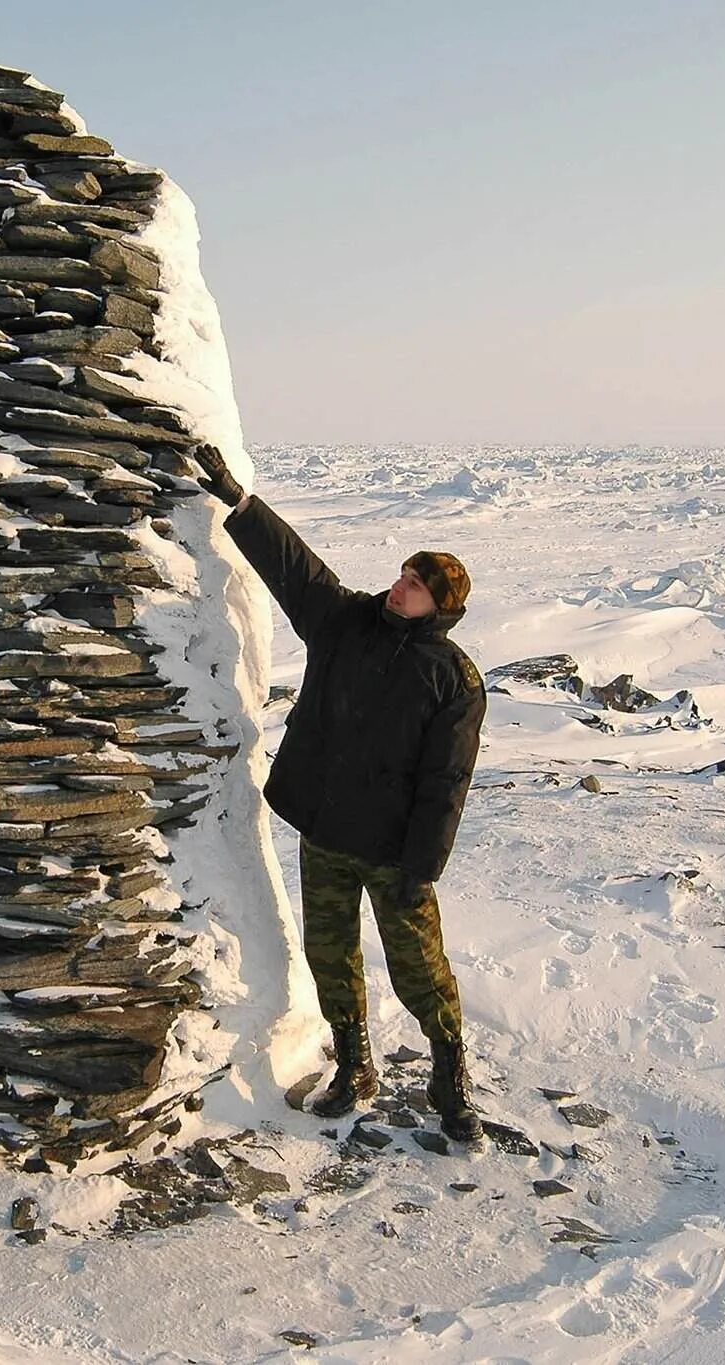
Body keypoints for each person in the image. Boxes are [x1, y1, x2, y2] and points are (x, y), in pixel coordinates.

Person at [190, 444, 486, 1141]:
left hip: (393, 852)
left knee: (420, 969)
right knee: (331, 954)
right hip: (326, 831)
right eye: (402, 572)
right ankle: (355, 1065)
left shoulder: (454, 680)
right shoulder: (347, 620)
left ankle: (450, 1079)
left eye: (415, 583)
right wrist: (239, 502)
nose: (399, 584)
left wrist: (423, 867)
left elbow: (448, 783)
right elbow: (295, 568)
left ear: (440, 605)